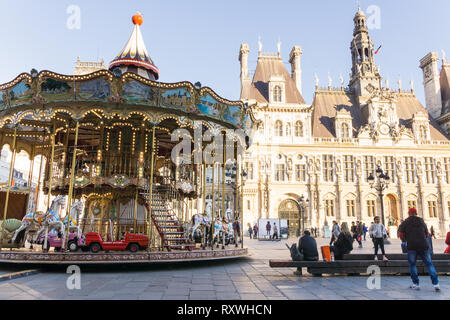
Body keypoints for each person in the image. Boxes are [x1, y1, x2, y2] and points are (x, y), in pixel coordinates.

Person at [398, 208, 440, 292]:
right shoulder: (421, 221)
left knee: (413, 265)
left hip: (411, 246)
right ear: (416, 213)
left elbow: (401, 235)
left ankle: (416, 284)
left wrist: (405, 239)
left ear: (408, 213)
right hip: (423, 246)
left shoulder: (405, 223)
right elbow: (427, 234)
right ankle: (436, 284)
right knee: (429, 264)